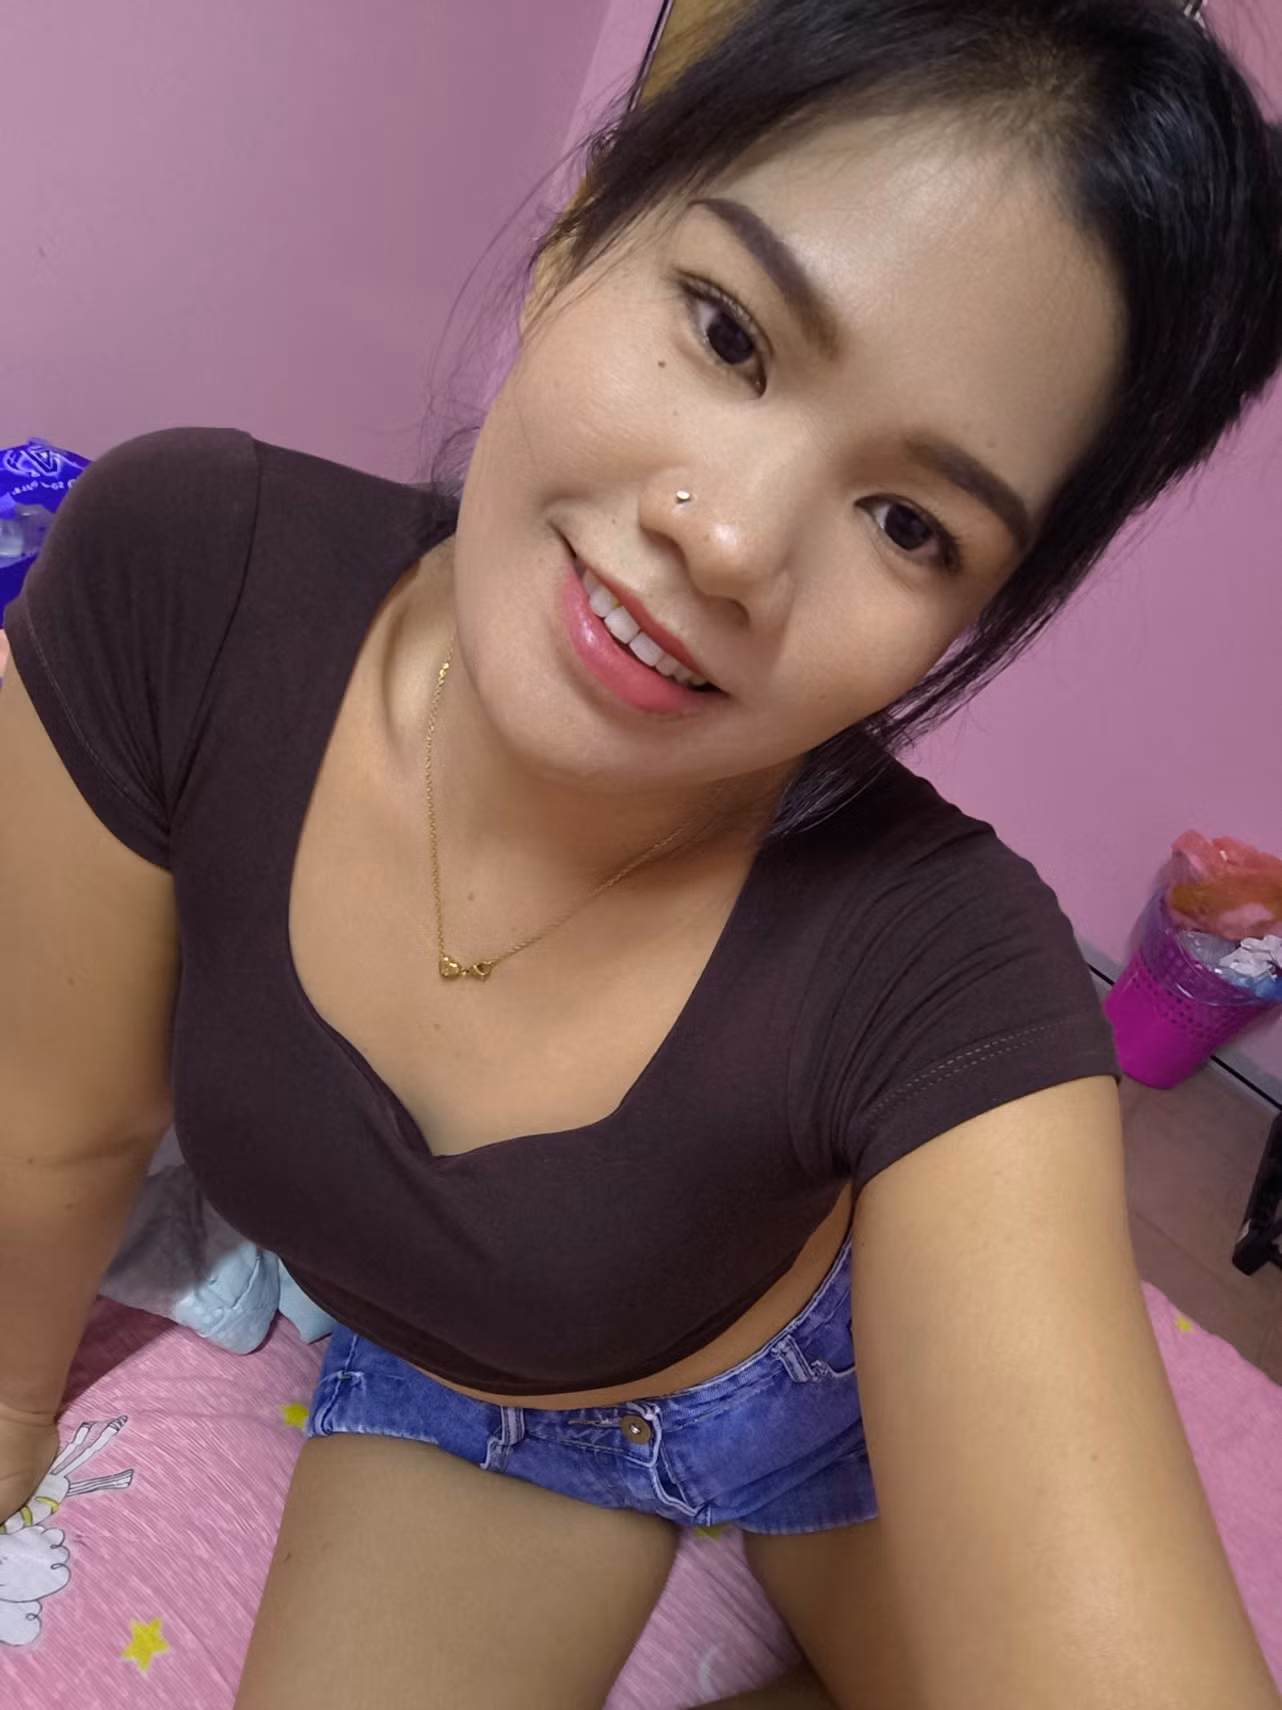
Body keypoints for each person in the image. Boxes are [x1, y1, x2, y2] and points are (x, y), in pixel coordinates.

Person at [2, 1, 1280, 1705]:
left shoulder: (951, 962)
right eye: (729, 331)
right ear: (583, 228)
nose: (730, 537)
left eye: (909, 524)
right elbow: (52, 1126)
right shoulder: (182, 584)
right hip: (503, 1412)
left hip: (832, 1384)